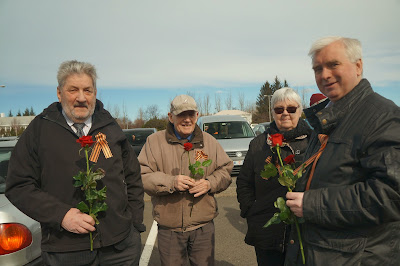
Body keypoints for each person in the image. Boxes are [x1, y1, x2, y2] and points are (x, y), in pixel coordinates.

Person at [6, 60, 145, 265]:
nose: (81, 98)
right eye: (73, 90)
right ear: (59, 93)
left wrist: (134, 225)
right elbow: (19, 186)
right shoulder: (39, 130)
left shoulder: (110, 126)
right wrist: (61, 215)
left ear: (95, 93)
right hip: (65, 250)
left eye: (87, 90)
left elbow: (132, 176)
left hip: (120, 248)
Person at [285, 36, 400, 265]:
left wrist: (311, 204)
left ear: (358, 66)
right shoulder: (329, 117)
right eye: (317, 68)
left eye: (333, 64)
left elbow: (391, 195)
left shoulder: (382, 117)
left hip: (357, 257)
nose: (324, 74)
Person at [139, 94, 233, 266]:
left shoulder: (209, 141)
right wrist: (171, 182)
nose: (187, 119)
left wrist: (209, 183)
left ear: (197, 115)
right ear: (170, 116)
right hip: (170, 229)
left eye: (191, 114)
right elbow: (142, 175)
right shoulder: (154, 142)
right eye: (181, 114)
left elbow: (226, 170)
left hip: (203, 227)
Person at [236, 88, 312, 266]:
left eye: (291, 109)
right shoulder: (258, 144)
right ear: (272, 113)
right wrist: (251, 210)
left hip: (304, 232)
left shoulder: (313, 142)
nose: (285, 113)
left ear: (300, 111)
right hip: (267, 232)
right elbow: (244, 182)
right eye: (279, 109)